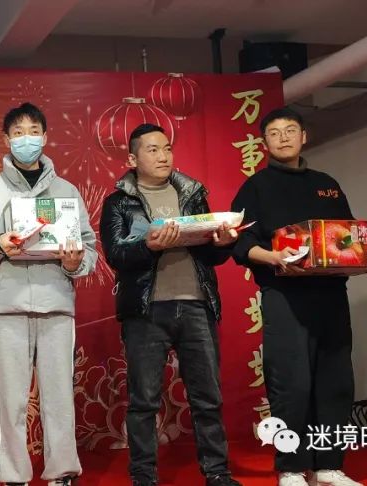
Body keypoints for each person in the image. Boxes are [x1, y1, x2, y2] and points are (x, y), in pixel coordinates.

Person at [231, 107, 367, 486]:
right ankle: (291, 467)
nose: (283, 138)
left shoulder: (326, 184)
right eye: (274, 133)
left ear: (303, 137)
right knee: (291, 384)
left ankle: (329, 467)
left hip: (331, 295)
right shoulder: (256, 187)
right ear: (264, 143)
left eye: (290, 130)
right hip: (284, 295)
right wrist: (273, 257)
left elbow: (347, 238)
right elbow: (240, 242)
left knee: (335, 381)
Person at [0, 102, 97, 486]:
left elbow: (89, 248)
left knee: (59, 397)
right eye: (18, 133)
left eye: (33, 131)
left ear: (45, 137)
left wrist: (74, 262)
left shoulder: (66, 191)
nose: (26, 139)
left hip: (56, 304)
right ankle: (13, 475)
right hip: (8, 307)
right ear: (6, 140)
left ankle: (62, 473)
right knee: (9, 399)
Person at [99, 123, 242, 486]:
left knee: (207, 397)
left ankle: (217, 473)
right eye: (152, 150)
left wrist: (222, 243)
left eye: (167, 148)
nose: (163, 156)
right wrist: (148, 246)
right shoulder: (119, 202)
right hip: (146, 310)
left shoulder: (192, 194)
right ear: (132, 159)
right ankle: (143, 476)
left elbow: (209, 256)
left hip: (196, 305)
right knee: (144, 400)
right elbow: (115, 254)